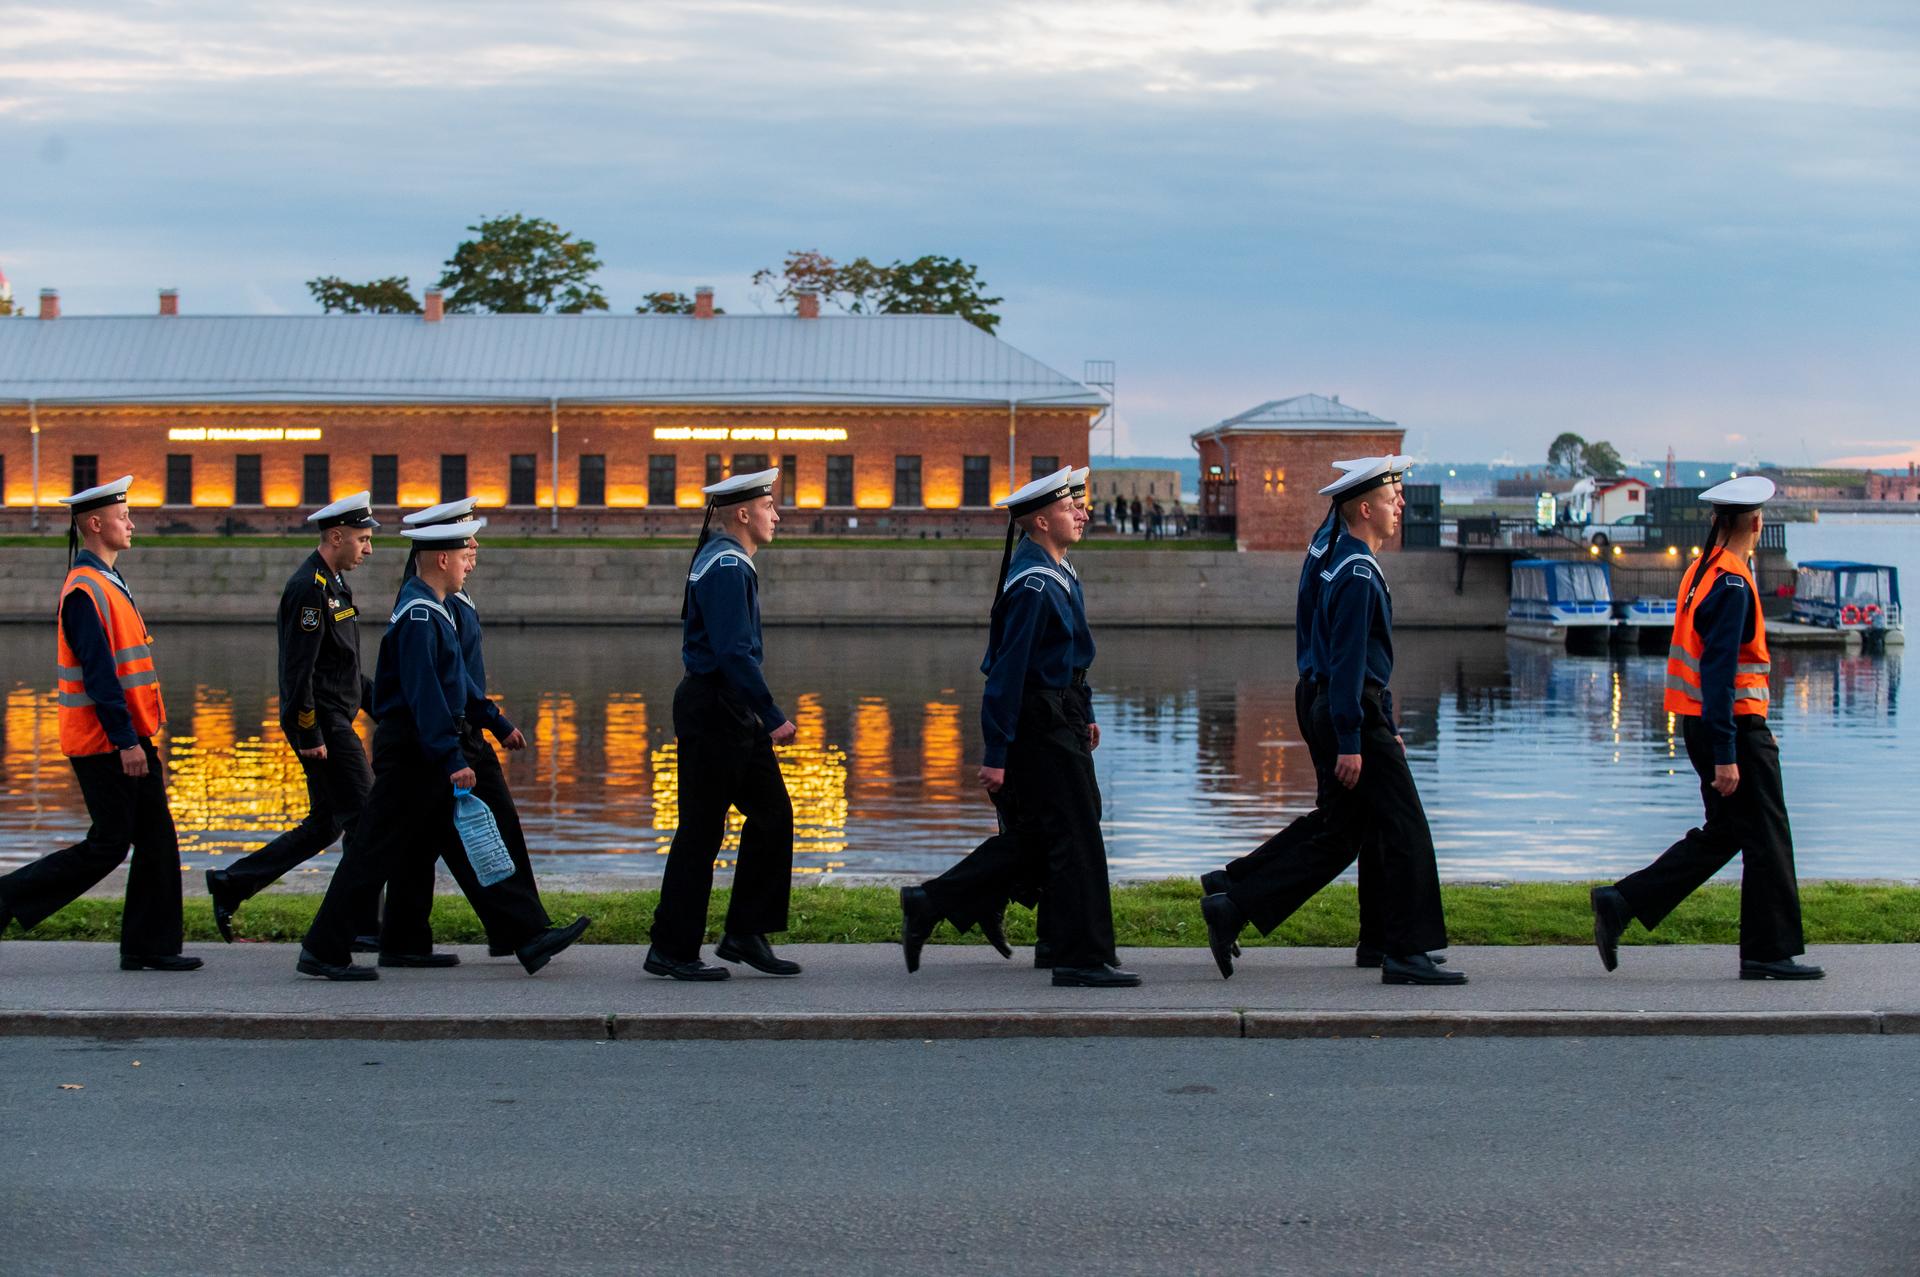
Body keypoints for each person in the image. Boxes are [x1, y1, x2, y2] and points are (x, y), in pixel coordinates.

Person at [1197, 457, 1463, 985]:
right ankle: (1406, 952)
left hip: (1335, 701)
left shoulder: (1333, 549)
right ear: (1364, 509)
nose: (1402, 505)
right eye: (1393, 498)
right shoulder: (1358, 572)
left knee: (1344, 829)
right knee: (1404, 827)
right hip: (1349, 707)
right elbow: (1349, 660)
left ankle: (1239, 898)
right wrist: (1354, 734)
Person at [296, 517, 590, 981]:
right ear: (441, 558)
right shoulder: (418, 616)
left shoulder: (434, 608)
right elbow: (425, 696)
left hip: (422, 748)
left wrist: (496, 722)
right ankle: (323, 949)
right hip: (411, 752)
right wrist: (452, 758)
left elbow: (455, 685)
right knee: (374, 851)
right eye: (463, 555)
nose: (469, 563)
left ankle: (446, 942)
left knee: (426, 844)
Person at [900, 467, 1138, 988]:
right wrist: (997, 750)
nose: (1081, 512)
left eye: (1079, 503)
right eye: (1068, 506)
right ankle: (1079, 956)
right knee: (1075, 838)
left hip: (1062, 711)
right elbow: (1007, 673)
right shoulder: (1033, 583)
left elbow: (1071, 656)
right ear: (1037, 521)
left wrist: (1087, 710)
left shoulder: (1059, 570)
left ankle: (943, 905)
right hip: (1040, 719)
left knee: (1049, 834)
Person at [1591, 476, 1821, 980]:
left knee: (1727, 833)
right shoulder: (1734, 581)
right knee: (1768, 838)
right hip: (1729, 729)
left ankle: (1622, 901)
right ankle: (1768, 952)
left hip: (1710, 723)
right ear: (1756, 523)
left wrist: (1745, 729)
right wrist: (1728, 751)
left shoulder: (1702, 571)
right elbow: (1719, 672)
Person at [0, 476, 199, 971]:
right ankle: (5, 900)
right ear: (95, 524)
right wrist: (125, 741)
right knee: (109, 845)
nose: (132, 522)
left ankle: (148, 947)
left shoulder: (106, 580)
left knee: (156, 838)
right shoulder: (85, 589)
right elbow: (100, 677)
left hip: (131, 736)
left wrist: (136, 738)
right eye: (123, 515)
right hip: (107, 742)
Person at [645, 468, 801, 981]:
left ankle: (745, 932)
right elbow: (733, 652)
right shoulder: (729, 565)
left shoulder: (722, 559)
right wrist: (773, 715)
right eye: (768, 507)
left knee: (773, 815)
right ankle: (671, 948)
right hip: (717, 707)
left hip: (728, 708)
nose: (776, 515)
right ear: (742, 513)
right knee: (701, 830)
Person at [207, 492, 382, 948]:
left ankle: (233, 883)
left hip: (336, 719)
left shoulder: (334, 584)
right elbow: (297, 672)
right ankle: (353, 927)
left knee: (326, 825)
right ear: (336, 535)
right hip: (324, 727)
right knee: (367, 823)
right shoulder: (309, 589)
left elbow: (341, 667)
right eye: (362, 540)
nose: (368, 549)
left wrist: (386, 709)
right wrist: (308, 732)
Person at [401, 498, 552, 958]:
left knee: (417, 841)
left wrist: (492, 719)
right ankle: (525, 931)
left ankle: (404, 940)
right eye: (467, 539)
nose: (475, 547)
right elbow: (444, 680)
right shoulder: (428, 606)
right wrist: (491, 721)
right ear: (441, 550)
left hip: (453, 731)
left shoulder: (451, 596)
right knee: (488, 826)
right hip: (448, 733)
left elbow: (454, 675)